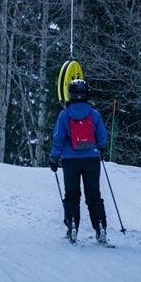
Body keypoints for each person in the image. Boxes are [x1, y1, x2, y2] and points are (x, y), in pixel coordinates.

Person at [49, 79, 108, 244]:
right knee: (94, 195)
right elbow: (102, 136)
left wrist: (54, 158)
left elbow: (58, 138)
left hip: (70, 160)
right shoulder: (94, 114)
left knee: (72, 195)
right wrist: (101, 148)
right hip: (91, 159)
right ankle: (100, 227)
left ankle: (72, 225)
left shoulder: (64, 115)